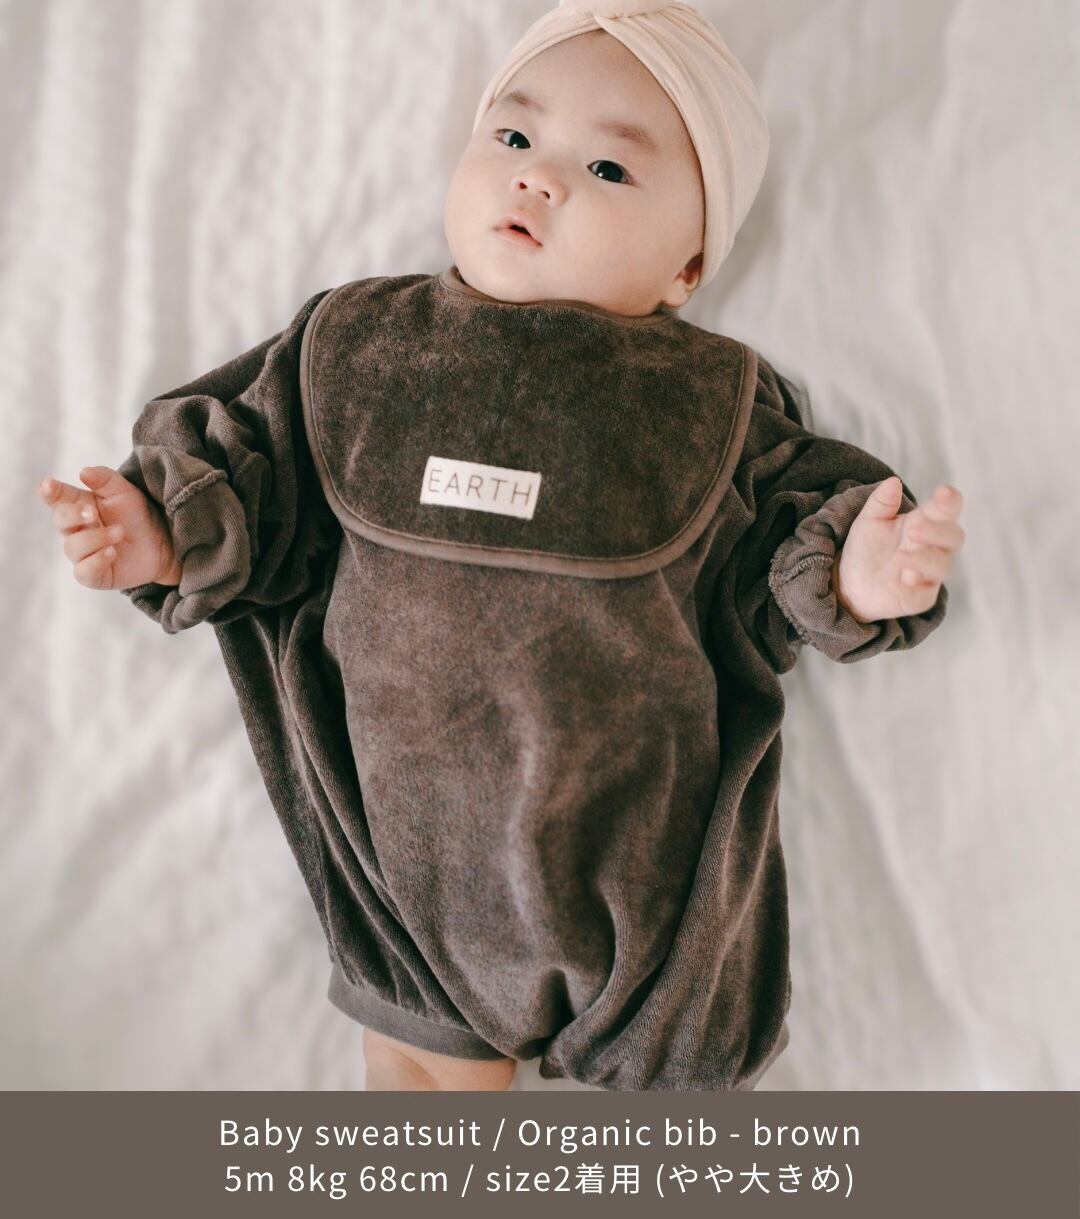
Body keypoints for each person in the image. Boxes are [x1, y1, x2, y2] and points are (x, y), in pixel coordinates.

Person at [36, 0, 965, 1091]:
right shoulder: (362, 347)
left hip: (646, 894)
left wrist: (857, 571)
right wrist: (161, 531)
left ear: (685, 269)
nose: (539, 177)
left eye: (609, 168)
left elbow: (782, 549)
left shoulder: (706, 403)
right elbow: (255, 487)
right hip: (409, 882)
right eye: (514, 135)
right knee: (419, 1088)